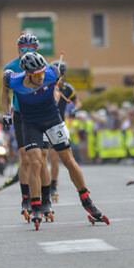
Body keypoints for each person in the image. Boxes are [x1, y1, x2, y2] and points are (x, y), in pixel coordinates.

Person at [2, 52, 109, 230]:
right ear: (27, 74)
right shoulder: (13, 80)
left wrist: (54, 98)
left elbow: (56, 90)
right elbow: (4, 87)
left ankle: (87, 200)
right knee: (35, 162)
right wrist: (7, 113)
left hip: (53, 120)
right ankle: (36, 206)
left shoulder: (52, 72)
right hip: (31, 124)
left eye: (42, 72)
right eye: (37, 74)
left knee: (68, 160)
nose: (41, 77)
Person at [1, 33, 51, 221]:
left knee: (42, 157)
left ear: (37, 50)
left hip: (42, 114)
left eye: (31, 49)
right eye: (23, 49)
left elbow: (53, 88)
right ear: (18, 49)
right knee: (25, 157)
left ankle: (46, 200)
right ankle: (25, 199)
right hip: (21, 114)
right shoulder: (11, 68)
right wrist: (6, 113)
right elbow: (4, 91)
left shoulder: (43, 64)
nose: (27, 52)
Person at [48, 60, 82, 202]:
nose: (60, 77)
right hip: (45, 124)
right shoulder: (49, 86)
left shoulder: (67, 88)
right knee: (44, 158)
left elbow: (78, 102)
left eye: (62, 74)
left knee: (55, 158)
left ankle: (53, 184)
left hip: (59, 124)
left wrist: (75, 109)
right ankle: (43, 186)